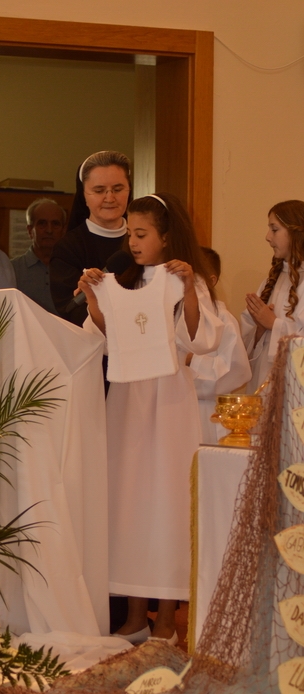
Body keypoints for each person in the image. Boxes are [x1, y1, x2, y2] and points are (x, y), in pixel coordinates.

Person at [78, 193, 223, 644]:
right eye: (130, 234)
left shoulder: (185, 281)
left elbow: (202, 341)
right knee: (129, 503)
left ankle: (165, 622)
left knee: (166, 504)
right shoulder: (126, 280)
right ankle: (136, 616)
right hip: (128, 400)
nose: (133, 243)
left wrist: (189, 290)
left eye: (141, 234)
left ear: (166, 237)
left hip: (169, 403)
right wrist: (94, 299)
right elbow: (105, 339)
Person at [50, 150, 134, 325]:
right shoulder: (68, 249)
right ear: (84, 195)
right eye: (99, 190)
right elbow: (69, 311)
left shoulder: (145, 239)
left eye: (118, 189)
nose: (110, 198)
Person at [187, 247, 251, 444]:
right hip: (174, 409)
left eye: (192, 280)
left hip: (207, 412)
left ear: (211, 281)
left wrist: (191, 361)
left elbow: (236, 372)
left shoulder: (224, 320)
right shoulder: (172, 317)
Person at [241, 200, 304, 393]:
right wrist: (259, 329)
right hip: (263, 382)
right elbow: (245, 343)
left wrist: (273, 324)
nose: (267, 237)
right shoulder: (271, 281)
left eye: (274, 229)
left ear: (295, 232)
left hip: (295, 390)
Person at [11, 199, 66, 313]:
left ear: (63, 231)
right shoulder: (12, 269)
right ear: (30, 231)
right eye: (42, 224)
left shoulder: (73, 269)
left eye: (55, 224)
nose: (49, 230)